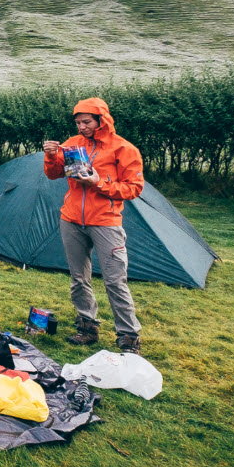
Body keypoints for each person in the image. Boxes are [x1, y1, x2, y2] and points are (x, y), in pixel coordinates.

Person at [43, 98, 145, 354]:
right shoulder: (73, 144)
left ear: (102, 119)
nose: (81, 127)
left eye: (86, 122)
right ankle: (87, 327)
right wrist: (51, 155)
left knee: (115, 281)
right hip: (71, 219)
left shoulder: (124, 149)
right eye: (78, 122)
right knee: (79, 278)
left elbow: (134, 188)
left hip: (106, 222)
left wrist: (99, 183)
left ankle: (128, 337)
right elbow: (54, 174)